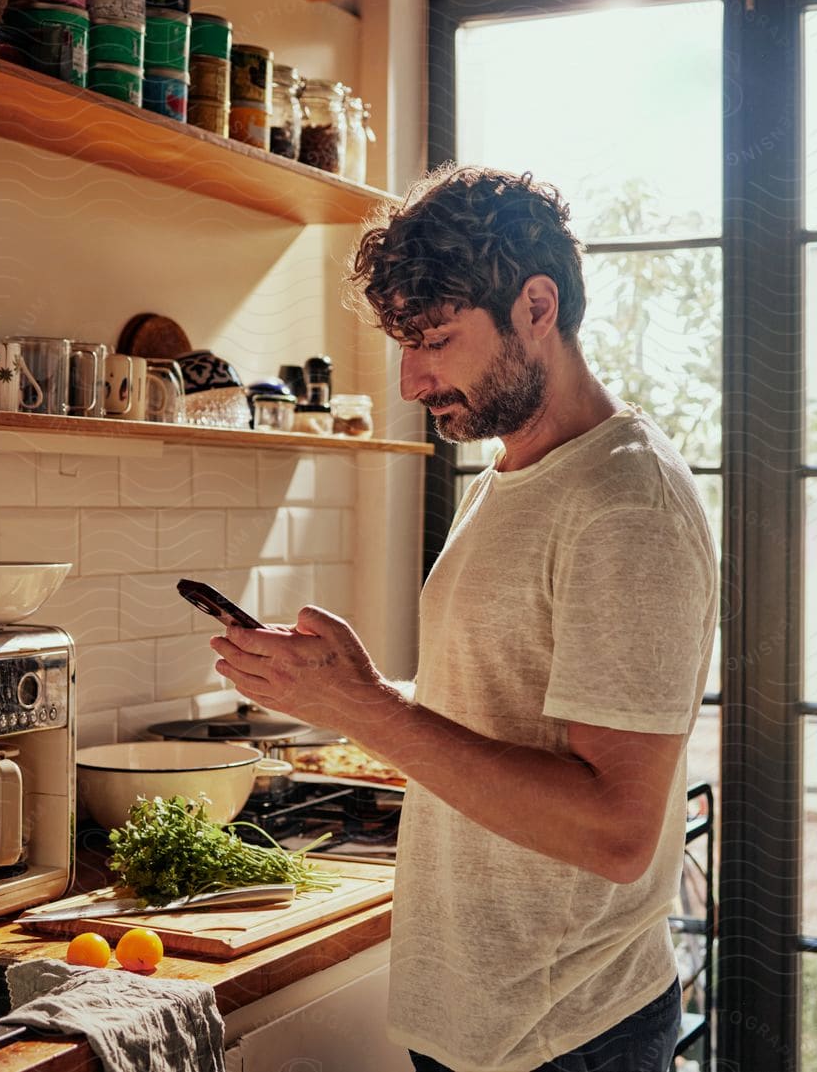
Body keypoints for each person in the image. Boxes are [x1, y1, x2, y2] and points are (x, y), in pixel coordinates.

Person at [210, 164, 718, 1072]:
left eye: (435, 340)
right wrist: (357, 691)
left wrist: (371, 711)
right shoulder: (512, 473)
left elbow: (616, 829)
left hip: (568, 1037)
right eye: (405, 345)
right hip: (477, 1023)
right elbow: (504, 705)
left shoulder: (624, 504)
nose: (411, 379)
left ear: (536, 306)